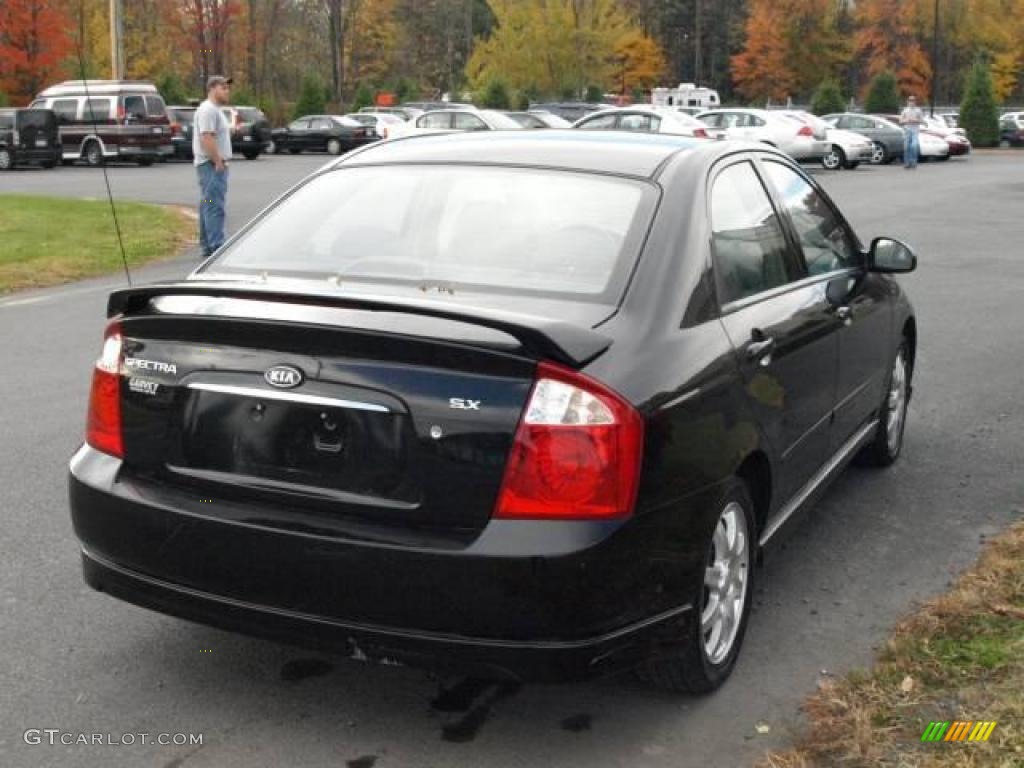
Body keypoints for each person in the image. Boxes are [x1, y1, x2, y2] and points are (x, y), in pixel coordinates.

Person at [193, 75, 233, 257]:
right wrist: (218, 161)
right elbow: (206, 137)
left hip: (210, 165)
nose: (227, 91)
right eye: (223, 87)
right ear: (212, 89)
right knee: (214, 205)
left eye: (227, 87)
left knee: (207, 203)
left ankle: (207, 245)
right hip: (211, 166)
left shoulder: (214, 110)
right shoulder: (208, 110)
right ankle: (217, 247)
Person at [899, 95, 925, 170]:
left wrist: (915, 120)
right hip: (907, 130)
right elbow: (900, 121)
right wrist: (906, 121)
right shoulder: (905, 110)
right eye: (910, 101)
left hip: (915, 130)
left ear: (915, 102)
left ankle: (913, 162)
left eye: (913, 101)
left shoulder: (918, 110)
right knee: (906, 147)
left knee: (914, 146)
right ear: (907, 102)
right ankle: (907, 163)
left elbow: (922, 121)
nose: (911, 102)